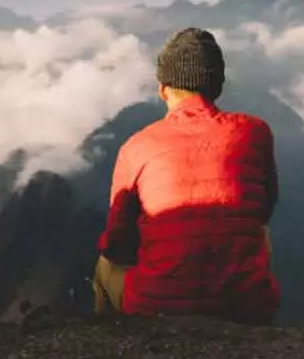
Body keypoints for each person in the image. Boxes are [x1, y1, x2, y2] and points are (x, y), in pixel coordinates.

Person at [92, 27, 280, 325]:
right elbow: (265, 206)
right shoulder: (254, 132)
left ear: (163, 88)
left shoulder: (136, 147)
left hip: (156, 308)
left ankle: (110, 347)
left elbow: (117, 242)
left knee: (104, 267)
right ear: (217, 86)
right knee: (258, 230)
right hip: (248, 307)